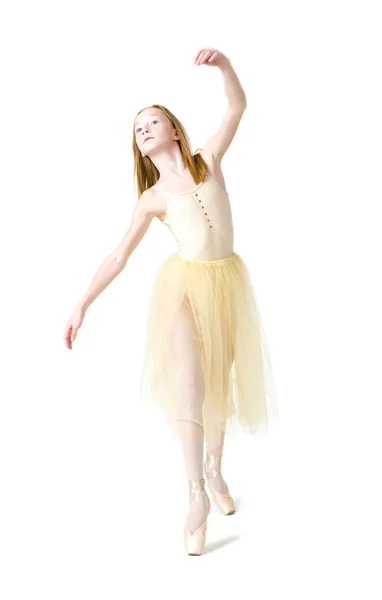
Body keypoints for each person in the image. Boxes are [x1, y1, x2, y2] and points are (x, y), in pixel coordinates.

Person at [64, 47, 279, 556]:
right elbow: (119, 256)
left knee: (220, 386)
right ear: (139, 150)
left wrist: (225, 66)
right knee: (190, 383)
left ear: (175, 131)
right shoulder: (153, 198)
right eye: (138, 127)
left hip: (226, 283)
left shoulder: (208, 160)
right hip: (182, 290)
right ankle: (195, 493)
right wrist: (82, 305)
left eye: (153, 120)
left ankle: (214, 468)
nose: (144, 128)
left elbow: (237, 107)